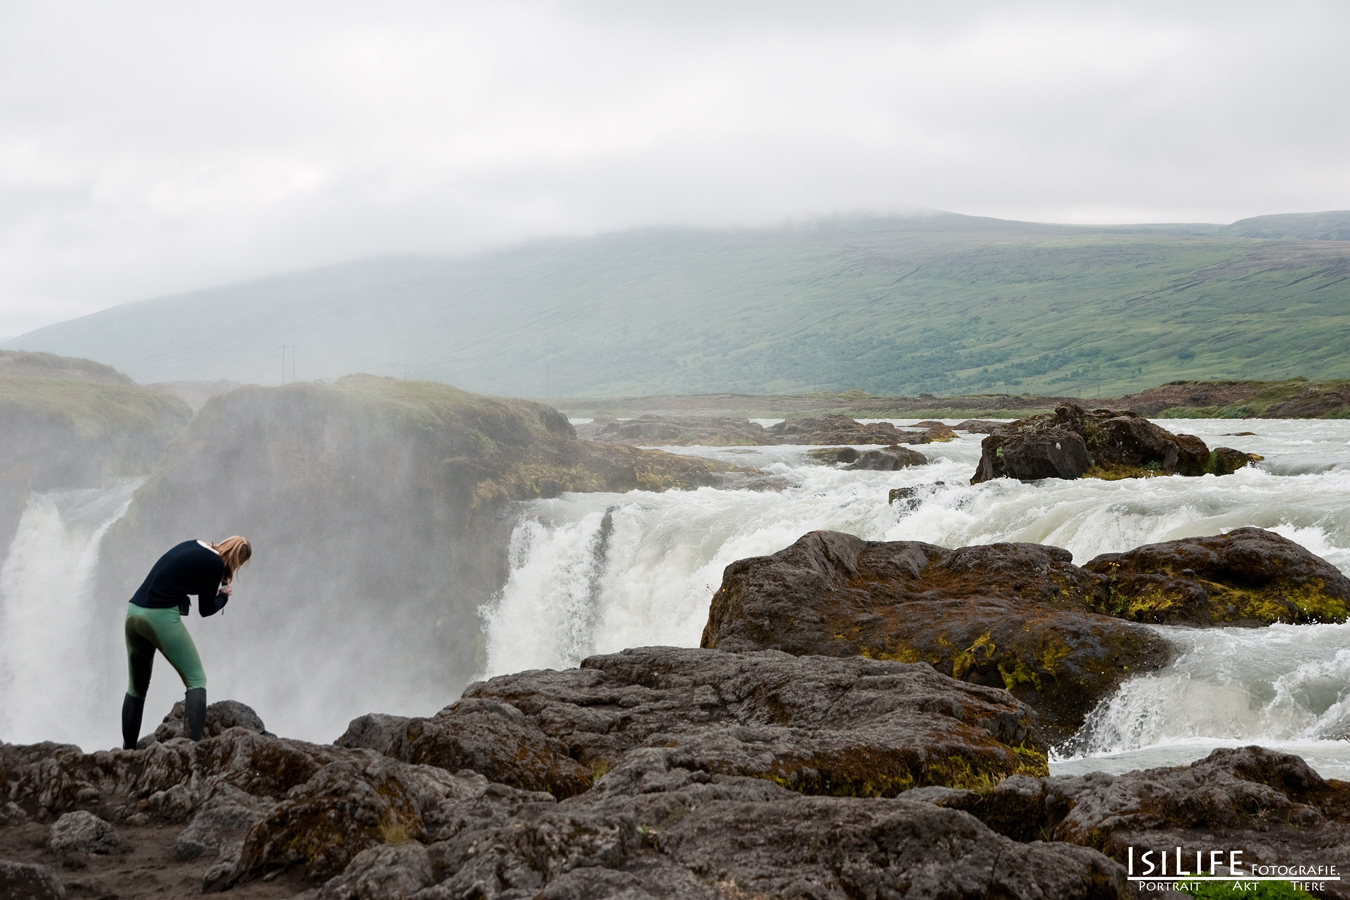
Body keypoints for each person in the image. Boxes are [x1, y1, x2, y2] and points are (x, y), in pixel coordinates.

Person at [121, 536, 252, 750]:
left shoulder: (196, 545)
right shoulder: (215, 564)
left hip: (134, 613)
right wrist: (224, 596)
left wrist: (221, 579)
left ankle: (127, 752)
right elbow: (206, 609)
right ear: (239, 561)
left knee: (136, 688)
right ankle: (192, 750)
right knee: (196, 679)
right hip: (158, 616)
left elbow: (184, 578)